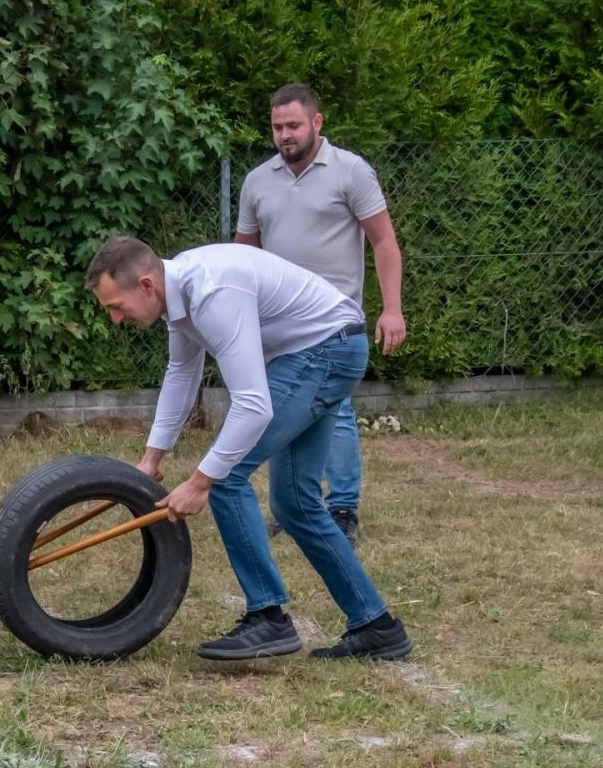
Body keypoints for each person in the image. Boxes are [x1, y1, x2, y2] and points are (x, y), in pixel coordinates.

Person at [84, 235, 411, 662]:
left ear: (146, 285)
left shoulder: (212, 292)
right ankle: (376, 627)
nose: (114, 318)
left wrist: (202, 481)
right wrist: (151, 460)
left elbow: (253, 407)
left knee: (227, 477)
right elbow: (182, 372)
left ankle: (267, 617)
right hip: (327, 347)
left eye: (115, 305)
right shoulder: (179, 295)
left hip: (325, 350)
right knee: (295, 504)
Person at [235, 83, 406, 544]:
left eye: (293, 125)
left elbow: (384, 242)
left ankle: (343, 508)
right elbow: (242, 256)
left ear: (316, 122)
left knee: (337, 408)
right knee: (281, 407)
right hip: (278, 325)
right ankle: (296, 507)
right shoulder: (257, 181)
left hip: (333, 324)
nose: (284, 135)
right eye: (276, 127)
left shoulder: (351, 172)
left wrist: (392, 309)